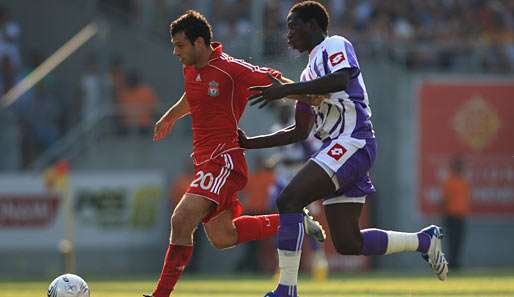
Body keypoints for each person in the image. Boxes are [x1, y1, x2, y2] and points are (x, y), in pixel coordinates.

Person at [238, 2, 448, 296]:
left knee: (289, 200)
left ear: (312, 25)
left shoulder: (335, 44)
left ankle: (286, 289)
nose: (288, 34)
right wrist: (249, 143)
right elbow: (299, 131)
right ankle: (424, 241)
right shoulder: (309, 72)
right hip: (341, 148)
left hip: (353, 141)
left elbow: (341, 79)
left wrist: (286, 89)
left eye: (293, 26)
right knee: (349, 243)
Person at [145, 10, 325, 297]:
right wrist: (170, 116)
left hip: (224, 160)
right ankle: (293, 220)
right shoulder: (190, 68)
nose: (175, 51)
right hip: (205, 161)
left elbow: (272, 80)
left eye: (180, 45)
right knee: (222, 236)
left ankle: (160, 295)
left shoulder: (230, 69)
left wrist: (313, 95)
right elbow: (192, 97)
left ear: (200, 42)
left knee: (180, 220)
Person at [442, 155, 470, 269]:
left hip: (461, 215)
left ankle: (456, 262)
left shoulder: (464, 182)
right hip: (451, 215)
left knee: (459, 241)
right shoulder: (449, 181)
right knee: (452, 241)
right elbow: (445, 199)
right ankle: (452, 263)